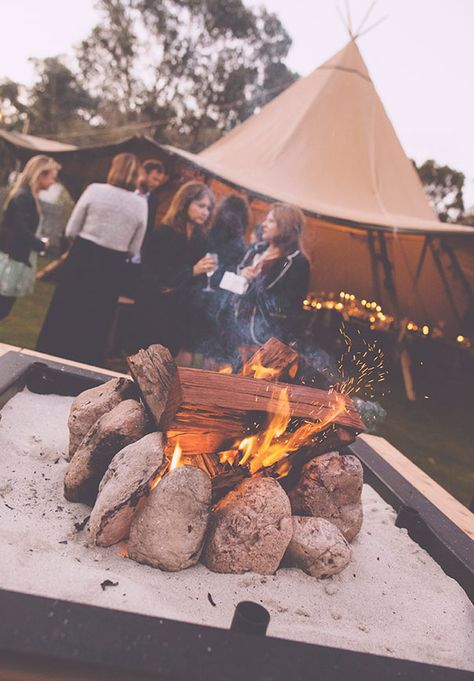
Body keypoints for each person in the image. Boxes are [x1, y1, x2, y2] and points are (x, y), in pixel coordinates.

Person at [36, 153, 147, 365]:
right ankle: (82, 366)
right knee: (97, 320)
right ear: (136, 175)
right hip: (113, 266)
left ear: (113, 169)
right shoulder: (140, 204)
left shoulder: (95, 190)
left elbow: (71, 229)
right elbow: (135, 248)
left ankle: (47, 359)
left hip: (83, 256)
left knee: (65, 311)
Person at [133, 181, 216, 357]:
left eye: (208, 208)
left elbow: (198, 279)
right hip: (155, 311)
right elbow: (157, 276)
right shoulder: (163, 234)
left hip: (180, 311)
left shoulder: (200, 238)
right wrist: (191, 271)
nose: (205, 212)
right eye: (200, 205)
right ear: (185, 203)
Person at [234, 202, 310, 347]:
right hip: (236, 330)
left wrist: (256, 282)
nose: (264, 224)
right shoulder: (254, 250)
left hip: (263, 339)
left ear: (285, 227)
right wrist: (241, 276)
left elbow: (291, 308)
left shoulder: (297, 262)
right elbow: (233, 287)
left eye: (271, 221)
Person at [0, 155, 59, 319]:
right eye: (52, 177)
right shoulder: (23, 197)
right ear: (40, 175)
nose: (53, 182)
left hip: (16, 259)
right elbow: (20, 230)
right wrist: (41, 244)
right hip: (10, 260)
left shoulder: (29, 197)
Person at [122, 159, 169, 299]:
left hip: (136, 253)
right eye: (154, 178)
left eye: (159, 181)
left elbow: (148, 227)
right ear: (144, 174)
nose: (155, 184)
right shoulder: (127, 191)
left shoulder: (153, 200)